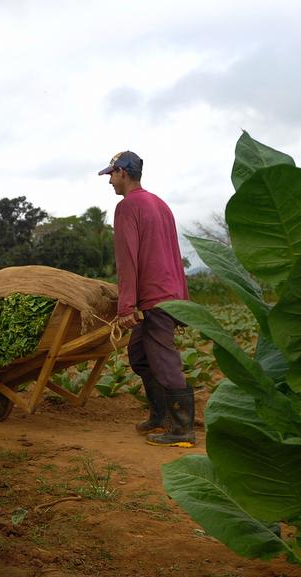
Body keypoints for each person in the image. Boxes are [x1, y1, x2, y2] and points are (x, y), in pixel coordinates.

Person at [98, 151, 194, 447]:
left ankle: (182, 430)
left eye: (111, 175)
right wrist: (183, 299)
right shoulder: (161, 205)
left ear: (123, 173)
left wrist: (125, 306)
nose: (110, 181)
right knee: (140, 355)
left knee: (164, 361)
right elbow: (174, 253)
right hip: (168, 293)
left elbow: (127, 259)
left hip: (155, 297)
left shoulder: (127, 206)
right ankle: (160, 415)